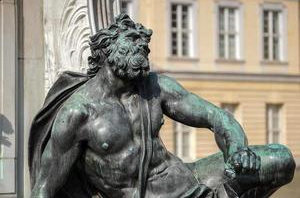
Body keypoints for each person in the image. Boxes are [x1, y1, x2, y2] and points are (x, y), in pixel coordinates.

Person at [29, 14, 295, 198]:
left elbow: (217, 117)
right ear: (108, 50)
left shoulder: (155, 87)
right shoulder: (78, 113)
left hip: (191, 180)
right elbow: (44, 188)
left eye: (143, 44)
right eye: (133, 41)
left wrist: (238, 150)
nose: (143, 47)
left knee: (281, 159)